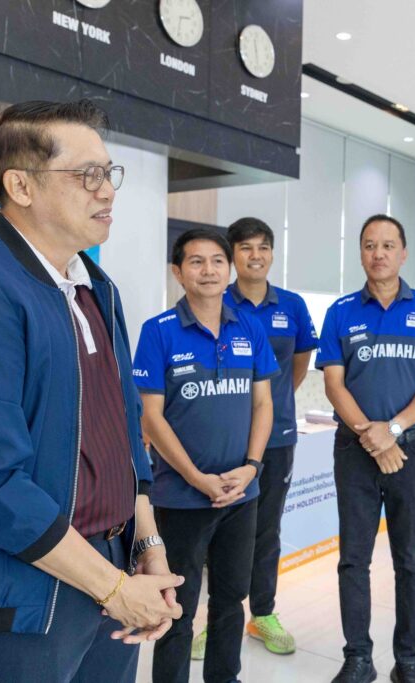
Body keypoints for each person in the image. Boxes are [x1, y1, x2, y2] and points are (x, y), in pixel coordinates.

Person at [0, 99, 182, 682]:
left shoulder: (95, 287)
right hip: (20, 582)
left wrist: (145, 544)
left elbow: (123, 433)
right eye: (88, 175)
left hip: (111, 564)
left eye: (109, 173)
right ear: (21, 186)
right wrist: (113, 588)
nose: (107, 190)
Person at [317, 214, 415, 683]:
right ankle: (358, 657)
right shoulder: (340, 312)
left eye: (388, 245)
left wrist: (393, 429)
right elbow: (334, 384)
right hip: (354, 451)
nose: (378, 253)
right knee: (353, 559)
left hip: (411, 451)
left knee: (409, 560)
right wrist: (372, 437)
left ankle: (408, 660)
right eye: (369, 245)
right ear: (361, 252)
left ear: (403, 253)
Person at [134, 228, 279, 683]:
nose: (209, 270)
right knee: (177, 604)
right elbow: (151, 417)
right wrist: (197, 478)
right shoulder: (158, 331)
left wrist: (251, 467)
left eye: (217, 261)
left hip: (241, 494)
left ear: (229, 269)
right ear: (178, 273)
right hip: (181, 497)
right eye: (196, 262)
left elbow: (263, 404)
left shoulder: (249, 327)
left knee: (231, 600)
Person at [210, 217, 317, 657]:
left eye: (263, 247)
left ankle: (263, 614)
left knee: (266, 528)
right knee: (222, 531)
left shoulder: (291, 306)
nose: (256, 256)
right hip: (226, 438)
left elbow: (298, 364)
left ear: (272, 253)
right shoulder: (216, 301)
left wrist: (271, 407)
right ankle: (219, 619)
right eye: (246, 248)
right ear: (232, 255)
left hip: (278, 437)